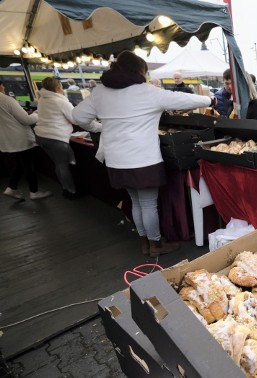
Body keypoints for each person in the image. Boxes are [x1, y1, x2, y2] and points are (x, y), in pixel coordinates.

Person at [72, 50, 214, 257]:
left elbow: (77, 116)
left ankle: (144, 241)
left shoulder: (100, 92)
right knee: (148, 204)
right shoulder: (146, 91)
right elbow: (181, 99)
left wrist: (98, 127)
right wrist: (209, 101)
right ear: (139, 71)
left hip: (116, 159)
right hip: (143, 159)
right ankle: (155, 244)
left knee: (136, 202)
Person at [34, 77, 101, 199]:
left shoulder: (43, 99)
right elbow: (75, 119)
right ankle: (72, 192)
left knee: (58, 164)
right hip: (55, 138)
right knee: (63, 166)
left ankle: (65, 188)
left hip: (41, 136)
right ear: (58, 87)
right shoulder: (60, 101)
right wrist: (98, 125)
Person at [0, 80, 51, 200]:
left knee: (20, 164)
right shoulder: (7, 100)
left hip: (5, 140)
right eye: (2, 84)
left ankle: (12, 188)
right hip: (20, 138)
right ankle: (34, 192)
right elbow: (26, 120)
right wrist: (38, 113)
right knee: (29, 166)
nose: (4, 86)